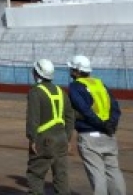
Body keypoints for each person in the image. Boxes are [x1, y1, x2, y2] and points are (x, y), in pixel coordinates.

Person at [68, 54, 127, 195]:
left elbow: (84, 110)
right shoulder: (101, 84)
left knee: (97, 174)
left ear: (77, 71)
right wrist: (110, 125)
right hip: (109, 134)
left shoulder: (76, 87)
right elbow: (115, 108)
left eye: (71, 69)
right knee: (114, 171)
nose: (70, 71)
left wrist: (100, 125)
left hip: (90, 136)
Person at [26, 58, 74, 195]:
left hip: (44, 140)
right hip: (61, 140)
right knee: (61, 178)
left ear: (37, 73)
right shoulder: (61, 92)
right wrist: (68, 138)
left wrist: (32, 139)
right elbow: (70, 117)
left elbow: (33, 119)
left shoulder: (35, 92)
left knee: (36, 176)